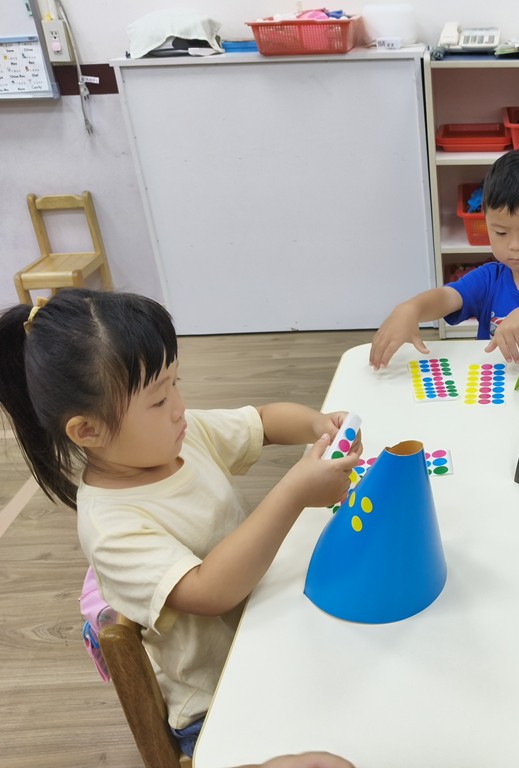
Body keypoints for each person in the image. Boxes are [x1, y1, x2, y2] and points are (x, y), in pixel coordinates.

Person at [0, 290, 363, 757]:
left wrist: (318, 425)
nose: (178, 406)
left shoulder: (178, 436)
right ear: (88, 430)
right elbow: (208, 591)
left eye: (176, 382)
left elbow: (263, 422)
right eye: (157, 399)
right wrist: (294, 493)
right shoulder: (110, 527)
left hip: (267, 628)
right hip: (218, 699)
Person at [369, 148, 519, 369]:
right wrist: (412, 308)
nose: (515, 245)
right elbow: (447, 297)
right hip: (493, 382)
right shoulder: (489, 279)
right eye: (500, 232)